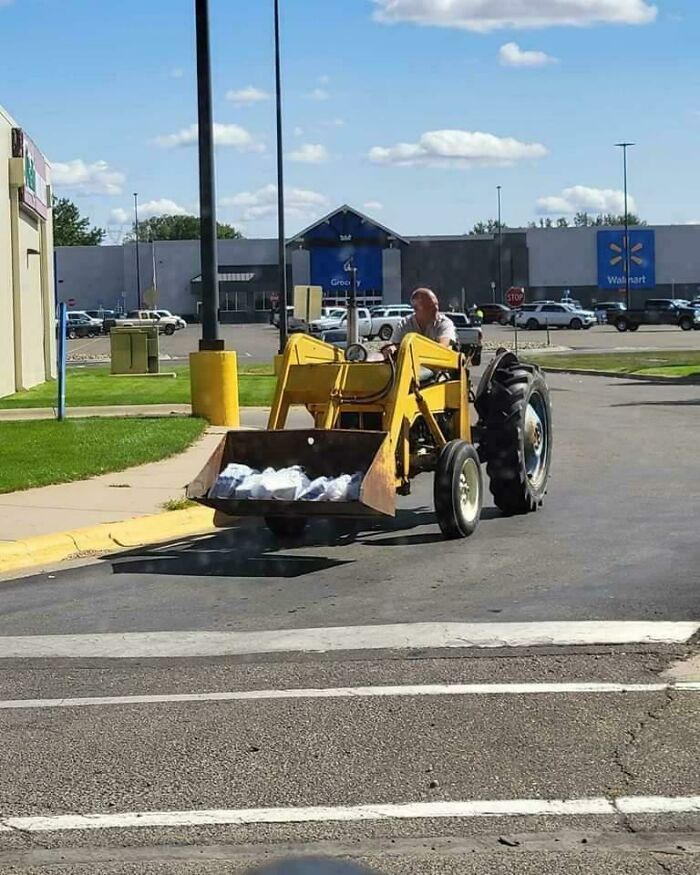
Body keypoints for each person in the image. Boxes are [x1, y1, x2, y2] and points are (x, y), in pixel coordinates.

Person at [382, 287, 456, 359]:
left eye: (436, 304)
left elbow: (442, 347)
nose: (436, 309)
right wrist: (391, 349)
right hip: (410, 369)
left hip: (438, 369)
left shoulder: (445, 323)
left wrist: (411, 349)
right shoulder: (404, 324)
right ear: (416, 309)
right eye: (430, 306)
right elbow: (395, 345)